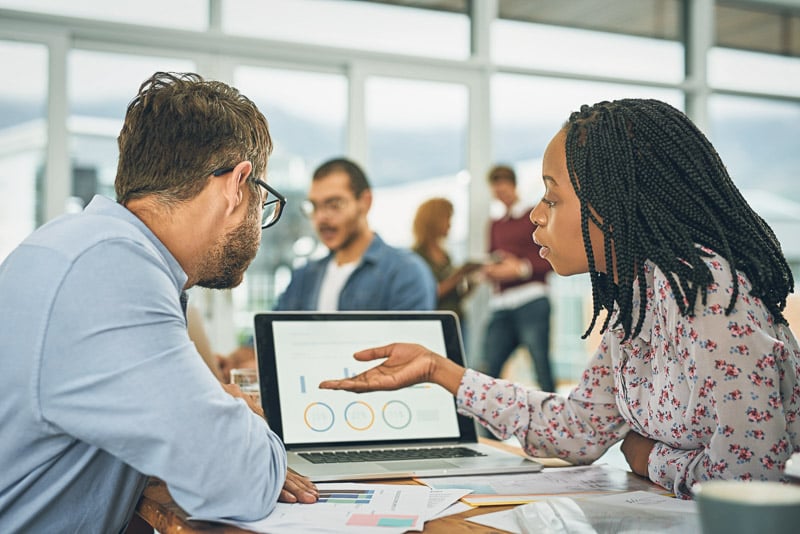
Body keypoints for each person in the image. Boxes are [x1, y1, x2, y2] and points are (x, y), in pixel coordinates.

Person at [319, 98, 800, 500]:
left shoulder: (711, 297)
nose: (535, 214)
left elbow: (750, 481)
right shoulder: (639, 303)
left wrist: (648, 456)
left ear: (613, 203)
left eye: (552, 197)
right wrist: (437, 369)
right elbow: (577, 430)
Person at [0, 72, 317, 533]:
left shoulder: (75, 245)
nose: (257, 219)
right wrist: (233, 415)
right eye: (261, 200)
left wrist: (208, 413)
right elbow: (236, 480)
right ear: (237, 184)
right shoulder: (111, 268)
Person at [275, 157, 436, 311]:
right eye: (314, 206)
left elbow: (410, 339)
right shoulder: (304, 277)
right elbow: (267, 336)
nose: (321, 217)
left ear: (365, 202)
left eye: (334, 204)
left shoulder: (404, 272)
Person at [482, 164, 557, 393]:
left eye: (504, 189)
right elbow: (492, 255)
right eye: (496, 191)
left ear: (513, 186)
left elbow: (552, 258)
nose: (500, 195)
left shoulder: (531, 218)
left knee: (540, 366)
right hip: (502, 303)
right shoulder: (495, 225)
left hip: (531, 300)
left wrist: (521, 269)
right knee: (489, 367)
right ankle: (489, 427)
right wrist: (492, 271)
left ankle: (554, 425)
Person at [411, 197, 482, 339]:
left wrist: (470, 284)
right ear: (433, 220)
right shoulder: (416, 258)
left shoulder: (445, 255)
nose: (450, 225)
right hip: (435, 326)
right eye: (447, 219)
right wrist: (458, 274)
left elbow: (453, 296)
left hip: (456, 320)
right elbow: (427, 294)